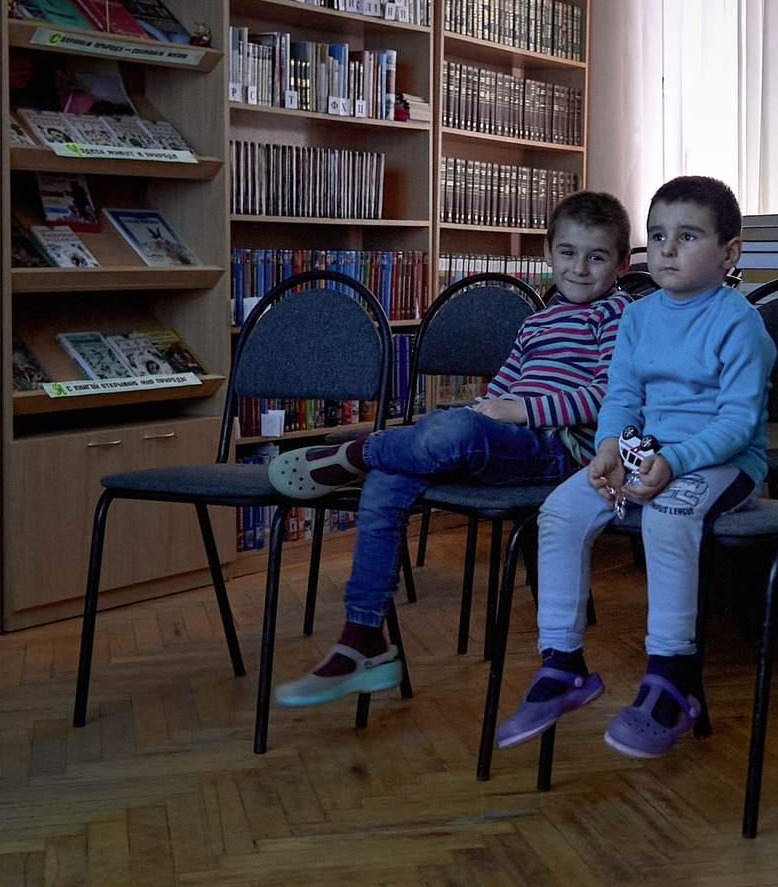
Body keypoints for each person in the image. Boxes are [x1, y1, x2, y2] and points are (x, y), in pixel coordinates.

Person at [265, 192, 632, 704]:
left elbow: (608, 397)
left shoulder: (619, 318)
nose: (579, 268)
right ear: (548, 252)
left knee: (451, 432)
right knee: (397, 472)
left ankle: (360, 451)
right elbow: (499, 390)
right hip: (505, 441)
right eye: (567, 252)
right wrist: (488, 409)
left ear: (622, 263)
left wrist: (514, 413)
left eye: (596, 257)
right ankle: (363, 637)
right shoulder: (536, 322)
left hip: (559, 452)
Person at [496, 175, 775, 760]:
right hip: (643, 450)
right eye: (657, 235)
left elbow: (737, 423)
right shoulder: (639, 317)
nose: (667, 248)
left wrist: (672, 460)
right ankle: (562, 666)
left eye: (688, 235)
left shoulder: (739, 321)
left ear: (729, 253)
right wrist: (607, 450)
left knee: (668, 519)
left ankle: (671, 679)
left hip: (721, 460)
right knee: (561, 512)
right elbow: (620, 398)